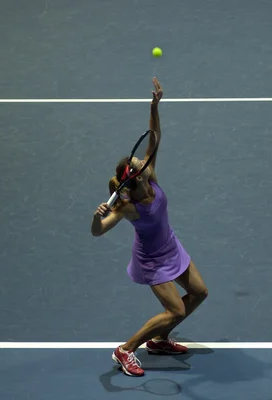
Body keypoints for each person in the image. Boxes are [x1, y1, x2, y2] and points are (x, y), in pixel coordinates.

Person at [90, 77, 208, 377]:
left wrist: (154, 105)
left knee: (199, 292)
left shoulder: (149, 174)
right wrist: (96, 215)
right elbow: (98, 230)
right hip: (152, 261)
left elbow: (155, 136)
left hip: (171, 247)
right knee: (176, 311)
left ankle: (159, 340)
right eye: (135, 162)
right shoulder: (128, 207)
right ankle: (125, 349)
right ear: (135, 177)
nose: (140, 160)